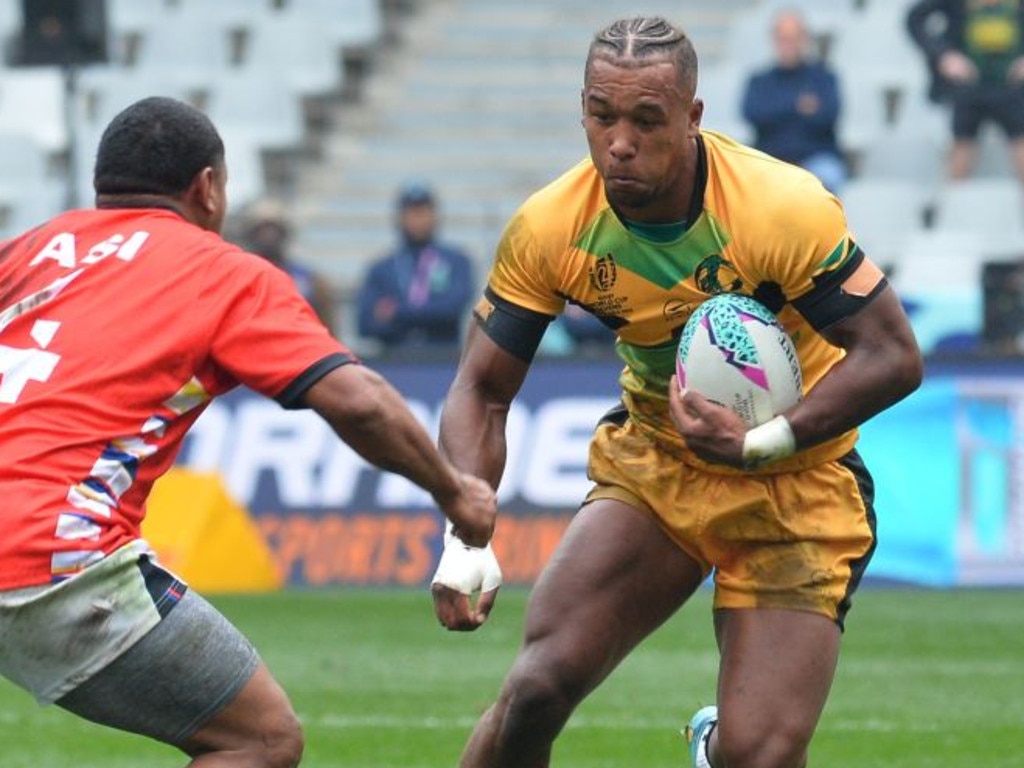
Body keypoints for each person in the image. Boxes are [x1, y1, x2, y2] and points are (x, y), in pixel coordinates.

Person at [428, 16, 922, 768]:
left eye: (646, 120)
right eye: (601, 115)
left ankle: (716, 743)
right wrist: (465, 534)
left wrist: (763, 440)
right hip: (660, 467)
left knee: (757, 758)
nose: (618, 141)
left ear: (692, 118)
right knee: (535, 690)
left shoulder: (777, 208)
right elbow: (482, 389)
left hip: (799, 481)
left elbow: (892, 355)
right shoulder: (551, 226)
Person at [0, 97, 497, 768]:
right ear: (207, 187)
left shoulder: (29, 251)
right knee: (260, 740)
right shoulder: (220, 271)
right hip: (52, 560)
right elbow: (359, 404)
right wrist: (455, 492)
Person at [907, 0, 1024, 182]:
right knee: (961, 149)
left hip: (1013, 87)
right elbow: (914, 19)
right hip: (968, 86)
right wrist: (943, 55)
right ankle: (953, 207)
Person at [356, 182, 475, 352]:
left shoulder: (456, 261)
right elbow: (366, 324)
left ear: (435, 216)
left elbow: (452, 309)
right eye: (411, 212)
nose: (417, 220)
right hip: (395, 360)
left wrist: (397, 311)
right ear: (399, 217)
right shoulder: (382, 268)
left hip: (443, 361)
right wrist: (428, 317)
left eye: (423, 212)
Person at [741, 9, 847, 194]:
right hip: (770, 161)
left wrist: (776, 108)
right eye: (783, 38)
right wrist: (798, 106)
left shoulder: (824, 77)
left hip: (816, 160)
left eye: (794, 38)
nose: (788, 44)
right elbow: (752, 114)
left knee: (829, 176)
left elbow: (829, 116)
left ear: (804, 39)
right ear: (774, 40)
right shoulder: (758, 80)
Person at [238, 198, 338, 332]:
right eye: (262, 230)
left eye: (273, 229)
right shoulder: (237, 278)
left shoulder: (311, 280)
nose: (268, 236)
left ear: (284, 233)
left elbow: (328, 329)